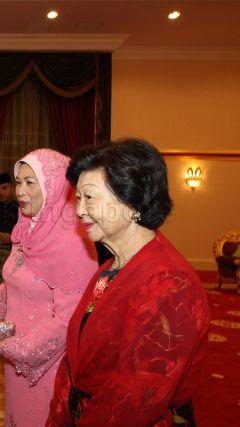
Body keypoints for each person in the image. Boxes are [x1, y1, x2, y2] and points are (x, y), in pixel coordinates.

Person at [46, 139, 211, 427]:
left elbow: (132, 402)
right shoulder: (110, 268)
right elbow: (74, 363)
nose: (80, 211)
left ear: (132, 200)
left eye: (90, 197)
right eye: (78, 199)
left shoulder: (171, 284)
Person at [0, 149, 98, 426]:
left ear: (54, 187)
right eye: (19, 181)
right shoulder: (27, 229)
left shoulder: (73, 244)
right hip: (16, 359)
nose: (20, 191)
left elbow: (67, 321)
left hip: (48, 366)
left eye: (31, 183)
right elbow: (19, 285)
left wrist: (12, 349)